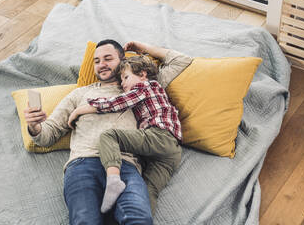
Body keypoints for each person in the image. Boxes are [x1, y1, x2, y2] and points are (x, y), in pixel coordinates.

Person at [24, 39, 193, 225]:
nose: (101, 65)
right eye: (96, 61)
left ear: (122, 60)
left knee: (139, 218)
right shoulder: (79, 94)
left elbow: (180, 60)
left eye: (108, 58)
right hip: (83, 164)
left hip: (126, 165)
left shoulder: (141, 84)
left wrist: (143, 48)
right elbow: (47, 135)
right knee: (85, 221)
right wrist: (34, 126)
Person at [68, 55, 182, 214]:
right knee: (148, 191)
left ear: (142, 74)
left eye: (126, 77)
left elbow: (117, 102)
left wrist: (81, 109)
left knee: (109, 136)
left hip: (160, 136)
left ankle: (114, 180)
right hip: (171, 154)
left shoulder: (145, 86)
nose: (123, 83)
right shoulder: (151, 90)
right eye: (121, 80)